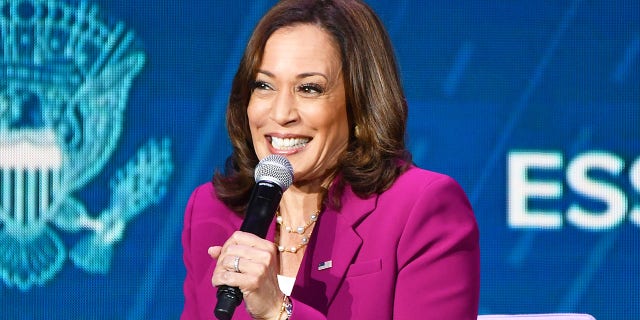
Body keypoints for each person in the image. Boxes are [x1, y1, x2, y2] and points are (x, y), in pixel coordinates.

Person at [181, 0, 480, 319]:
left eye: (309, 88)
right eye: (264, 85)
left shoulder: (421, 208)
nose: (281, 114)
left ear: (360, 103)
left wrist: (278, 310)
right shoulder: (211, 212)